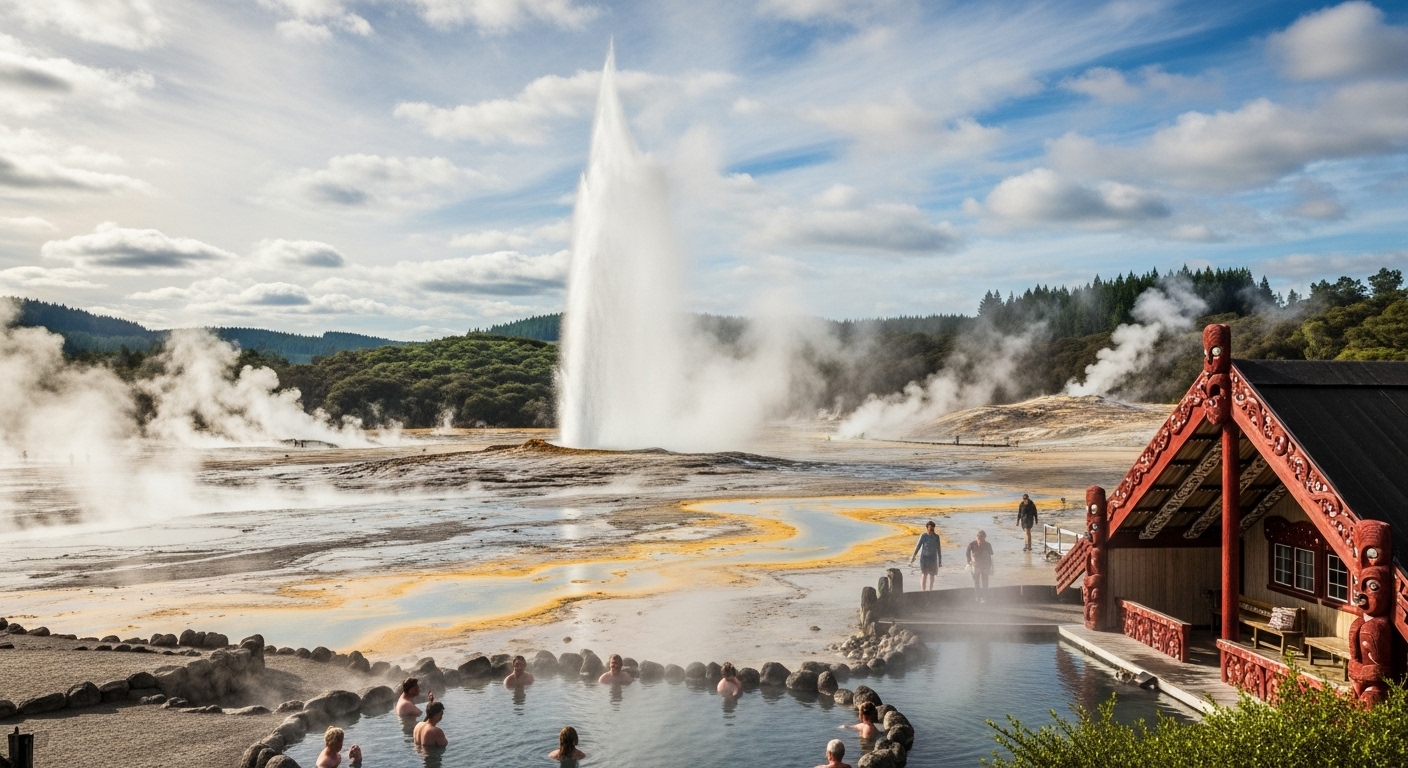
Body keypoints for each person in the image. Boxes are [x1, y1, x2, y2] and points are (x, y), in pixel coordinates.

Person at [908, 520, 942, 591]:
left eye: (932, 528)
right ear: (927, 528)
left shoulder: (936, 537)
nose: (931, 530)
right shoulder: (923, 536)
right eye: (930, 528)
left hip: (933, 558)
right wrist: (913, 556)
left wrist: (940, 561)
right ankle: (923, 591)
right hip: (924, 558)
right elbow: (918, 546)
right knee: (924, 574)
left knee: (932, 575)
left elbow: (939, 549)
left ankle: (930, 590)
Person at [966, 529, 994, 602]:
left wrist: (991, 567)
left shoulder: (988, 545)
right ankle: (977, 597)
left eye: (982, 539)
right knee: (976, 582)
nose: (980, 541)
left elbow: (991, 556)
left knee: (985, 582)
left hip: (985, 566)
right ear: (977, 537)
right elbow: (967, 553)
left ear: (984, 538)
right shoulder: (972, 544)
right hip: (975, 566)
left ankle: (985, 597)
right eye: (979, 539)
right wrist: (969, 562)